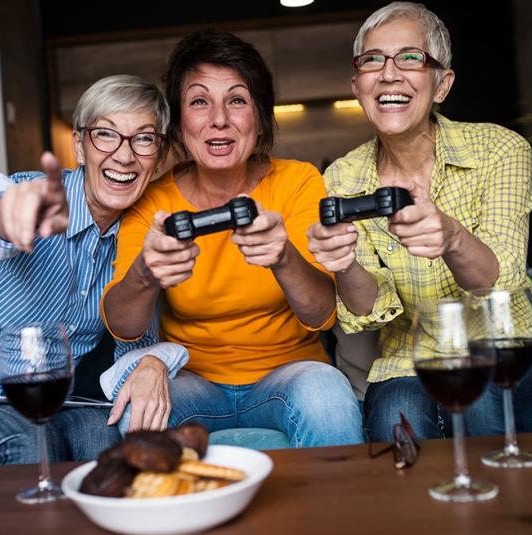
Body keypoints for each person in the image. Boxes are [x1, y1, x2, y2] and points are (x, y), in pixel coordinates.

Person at [306, 2, 532, 442]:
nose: (388, 73)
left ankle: (498, 508)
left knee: (480, 393)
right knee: (391, 423)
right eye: (372, 60)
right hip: (410, 361)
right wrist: (343, 264)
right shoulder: (342, 176)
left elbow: (502, 278)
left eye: (411, 58)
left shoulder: (499, 149)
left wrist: (453, 237)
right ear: (357, 85)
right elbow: (368, 310)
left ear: (442, 85)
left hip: (516, 352)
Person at [0, 75, 175, 468]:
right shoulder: (37, 192)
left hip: (54, 400)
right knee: (29, 445)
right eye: (106, 134)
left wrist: (153, 362)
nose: (124, 156)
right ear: (79, 145)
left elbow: (134, 343)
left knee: (111, 455)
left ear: (158, 157)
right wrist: (12, 212)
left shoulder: (141, 239)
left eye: (143, 139)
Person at [100, 30, 364, 447]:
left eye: (237, 100)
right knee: (137, 416)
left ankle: (331, 514)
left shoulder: (297, 181)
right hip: (193, 380)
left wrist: (283, 258)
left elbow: (321, 316)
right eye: (199, 101)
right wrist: (146, 275)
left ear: (259, 118)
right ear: (178, 122)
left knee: (328, 398)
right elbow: (123, 327)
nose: (218, 119)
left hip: (290, 372)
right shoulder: (154, 199)